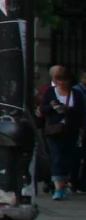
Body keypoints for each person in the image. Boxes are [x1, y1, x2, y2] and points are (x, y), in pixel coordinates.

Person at [39, 63, 80, 200]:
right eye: (59, 80)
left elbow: (81, 112)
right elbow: (43, 109)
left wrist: (69, 110)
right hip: (54, 130)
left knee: (68, 158)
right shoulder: (50, 92)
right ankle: (58, 187)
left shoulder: (76, 94)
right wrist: (52, 107)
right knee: (56, 157)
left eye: (64, 80)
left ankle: (63, 183)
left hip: (71, 130)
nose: (62, 83)